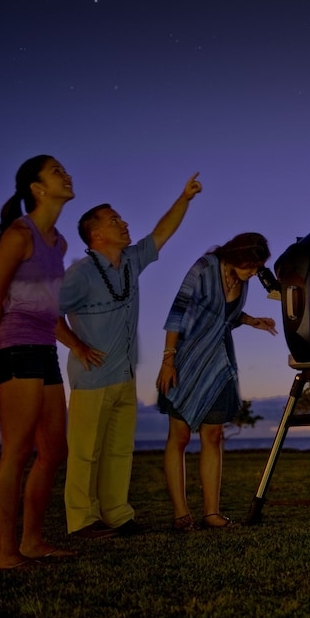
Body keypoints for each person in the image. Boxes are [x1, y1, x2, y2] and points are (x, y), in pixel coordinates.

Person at [55, 174, 203, 539]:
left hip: (124, 374)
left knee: (120, 451)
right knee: (85, 452)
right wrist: (75, 344)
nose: (124, 223)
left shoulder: (131, 261)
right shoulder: (80, 274)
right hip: (91, 377)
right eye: (114, 220)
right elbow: (45, 311)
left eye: (121, 218)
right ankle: (81, 520)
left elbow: (161, 233)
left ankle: (117, 514)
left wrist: (184, 198)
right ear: (96, 234)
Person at [0, 155, 76, 569]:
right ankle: (5, 552)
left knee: (54, 450)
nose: (66, 175)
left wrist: (77, 344)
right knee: (16, 451)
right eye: (56, 171)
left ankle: (33, 541)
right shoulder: (19, 235)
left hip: (44, 348)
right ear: (37, 188)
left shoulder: (60, 243)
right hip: (14, 346)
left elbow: (51, 309)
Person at [156, 233, 278, 530]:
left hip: (219, 364)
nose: (253, 272)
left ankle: (212, 513)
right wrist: (168, 360)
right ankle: (181, 513)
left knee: (213, 437)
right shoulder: (203, 268)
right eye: (250, 265)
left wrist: (252, 321)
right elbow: (178, 312)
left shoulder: (244, 280)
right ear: (236, 255)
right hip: (186, 359)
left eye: (258, 266)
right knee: (180, 437)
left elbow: (225, 316)